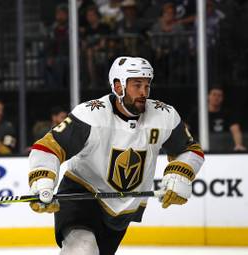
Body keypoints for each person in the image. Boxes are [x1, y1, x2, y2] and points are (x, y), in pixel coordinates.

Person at [27, 56, 204, 254]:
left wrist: (179, 175)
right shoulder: (91, 115)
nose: (143, 92)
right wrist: (42, 182)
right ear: (118, 86)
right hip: (81, 194)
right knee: (82, 249)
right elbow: (48, 147)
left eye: (147, 85)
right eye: (137, 85)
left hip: (122, 210)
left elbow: (190, 150)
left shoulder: (164, 116)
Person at [187, 87, 246, 152]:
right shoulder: (198, 113)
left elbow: (235, 130)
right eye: (214, 94)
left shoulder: (227, 113)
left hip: (222, 150)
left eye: (219, 95)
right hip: (200, 149)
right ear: (208, 96)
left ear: (222, 98)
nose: (216, 98)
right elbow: (185, 128)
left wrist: (238, 144)